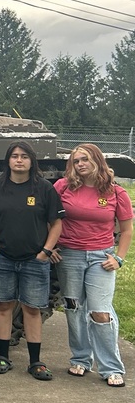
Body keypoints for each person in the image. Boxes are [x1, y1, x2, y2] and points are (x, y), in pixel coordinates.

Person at [0, 141, 64, 381]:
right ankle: (3, 357)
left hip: (34, 259)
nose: (19, 160)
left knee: (32, 309)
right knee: (3, 306)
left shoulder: (44, 188)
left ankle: (35, 361)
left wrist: (45, 251)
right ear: (8, 160)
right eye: (14, 156)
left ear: (31, 161)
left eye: (24, 156)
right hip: (2, 258)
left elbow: (56, 222)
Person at [54, 143, 132, 387]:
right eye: (76, 161)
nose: (80, 164)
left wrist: (119, 258)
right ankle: (80, 358)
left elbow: (127, 230)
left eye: (85, 159)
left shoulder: (116, 192)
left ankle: (111, 367)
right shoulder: (62, 187)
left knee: (100, 312)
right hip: (69, 255)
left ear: (97, 160)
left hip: (101, 257)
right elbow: (49, 218)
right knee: (73, 307)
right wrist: (51, 246)